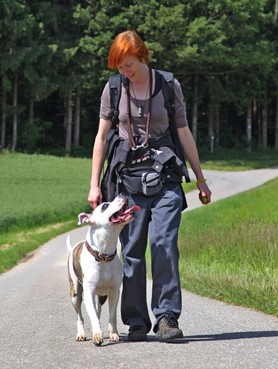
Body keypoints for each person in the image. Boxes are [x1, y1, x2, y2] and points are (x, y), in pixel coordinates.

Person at [88, 30, 211, 342]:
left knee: (164, 242)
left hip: (166, 176)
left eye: (128, 65)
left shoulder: (168, 86)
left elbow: (183, 132)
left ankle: (167, 317)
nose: (124, 72)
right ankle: (136, 321)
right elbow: (101, 138)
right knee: (131, 250)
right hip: (127, 180)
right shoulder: (114, 88)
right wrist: (94, 184)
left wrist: (200, 179)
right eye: (119, 67)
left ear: (142, 56)